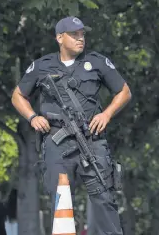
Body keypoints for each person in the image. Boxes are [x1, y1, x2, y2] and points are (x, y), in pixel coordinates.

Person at [11, 16, 131, 235]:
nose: (80, 38)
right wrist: (32, 117)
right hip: (57, 140)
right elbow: (18, 95)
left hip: (92, 139)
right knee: (60, 197)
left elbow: (124, 91)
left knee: (105, 197)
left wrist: (106, 114)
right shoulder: (42, 66)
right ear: (59, 38)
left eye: (82, 34)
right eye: (74, 34)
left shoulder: (96, 61)